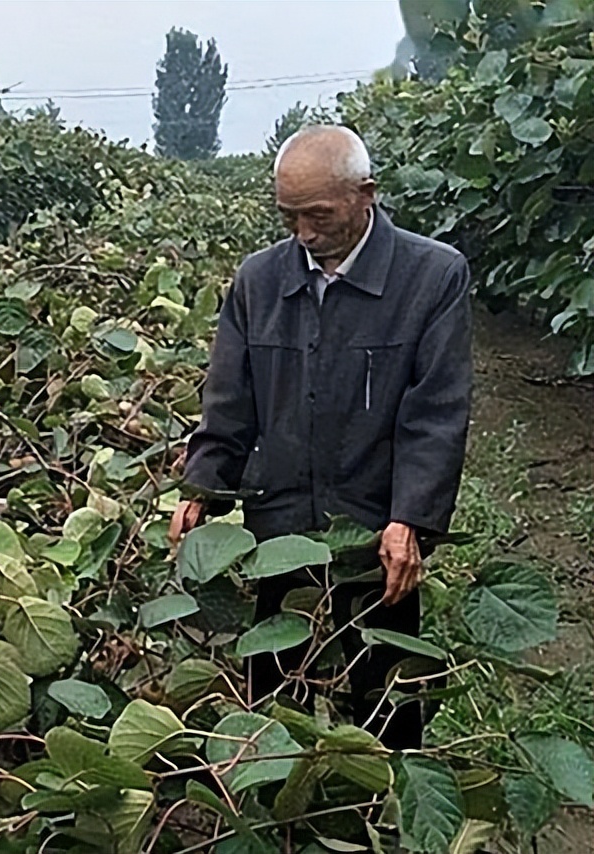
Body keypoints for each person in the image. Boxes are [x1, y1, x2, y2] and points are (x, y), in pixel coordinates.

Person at [169, 125, 472, 750]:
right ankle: (283, 819)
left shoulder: (431, 277)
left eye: (318, 215)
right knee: (274, 692)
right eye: (289, 216)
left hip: (372, 529)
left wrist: (409, 518)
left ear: (366, 195)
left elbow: (435, 413)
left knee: (385, 695)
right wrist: (201, 486)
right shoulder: (259, 281)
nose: (304, 233)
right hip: (279, 521)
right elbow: (230, 400)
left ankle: (384, 814)